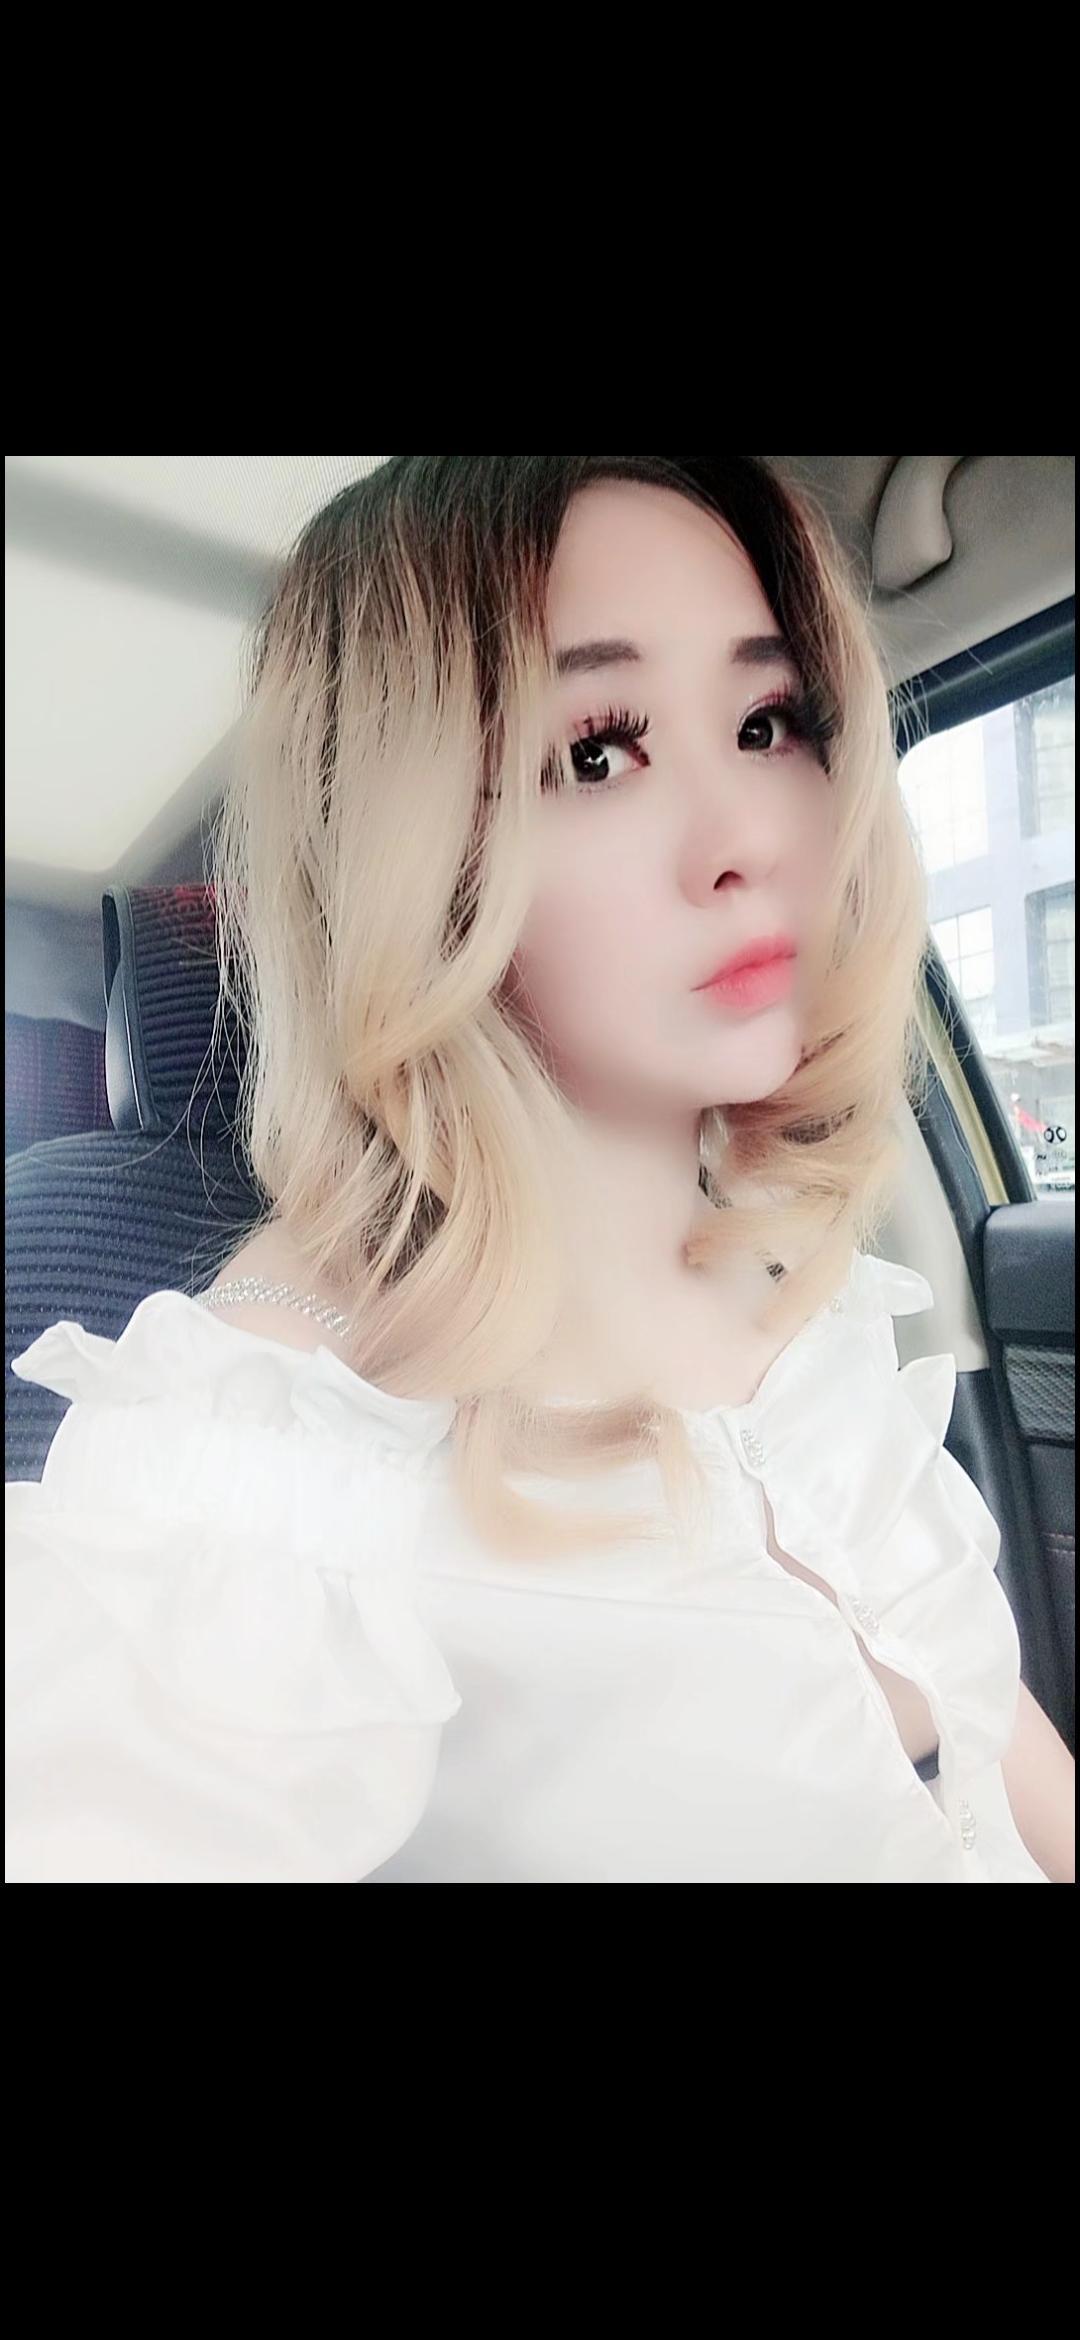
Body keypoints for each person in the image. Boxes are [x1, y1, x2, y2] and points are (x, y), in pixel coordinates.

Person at [6, 456, 1074, 1884]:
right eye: (601, 752)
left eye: (767, 723)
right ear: (411, 850)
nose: (749, 837)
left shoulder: (796, 1280)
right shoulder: (261, 1462)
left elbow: (991, 1728)